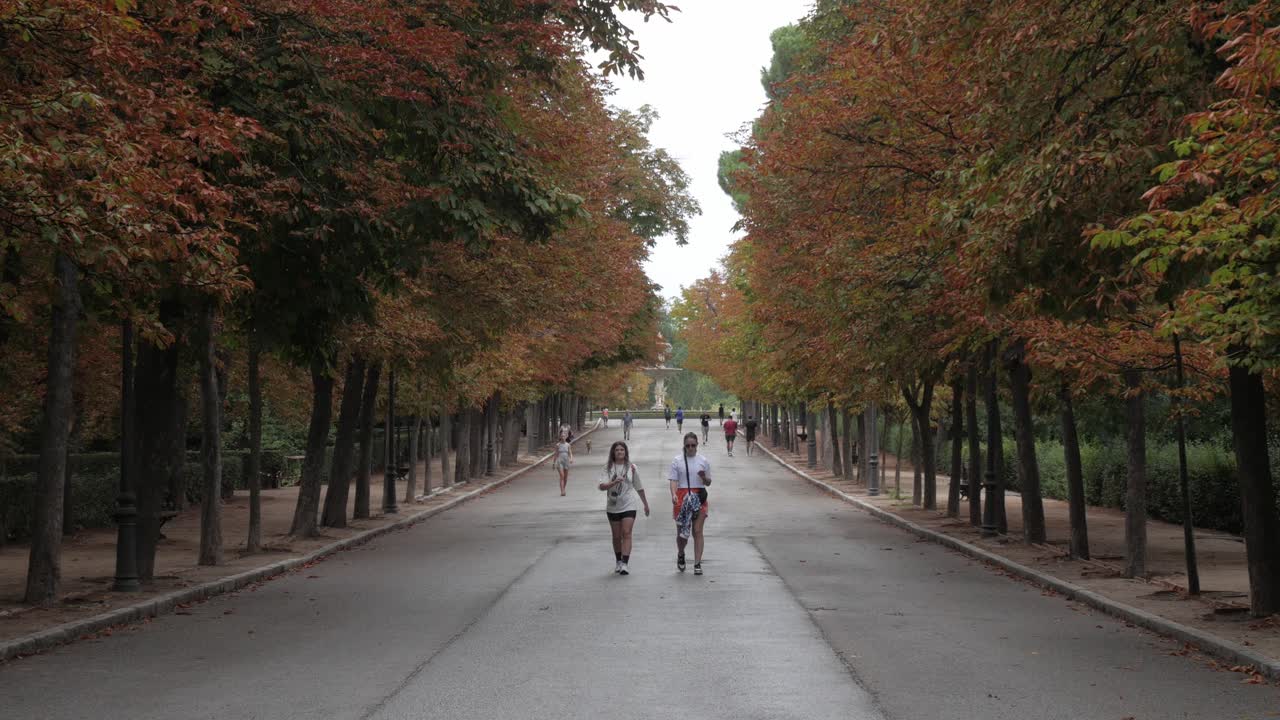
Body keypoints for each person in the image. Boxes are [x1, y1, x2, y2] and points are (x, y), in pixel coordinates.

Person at [599, 441, 650, 575]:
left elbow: (639, 486)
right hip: (613, 505)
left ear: (626, 452)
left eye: (622, 450)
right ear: (613, 453)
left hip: (629, 504)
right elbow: (601, 486)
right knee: (616, 536)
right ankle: (618, 561)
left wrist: (645, 504)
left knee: (626, 533)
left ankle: (625, 564)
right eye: (617, 450)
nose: (620, 452)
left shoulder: (631, 468)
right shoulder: (607, 468)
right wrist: (612, 482)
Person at [669, 432, 711, 575]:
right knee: (682, 533)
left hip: (699, 496)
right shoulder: (677, 460)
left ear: (697, 445)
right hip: (682, 496)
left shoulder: (703, 461)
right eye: (688, 446)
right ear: (684, 446)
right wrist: (674, 494)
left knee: (697, 531)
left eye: (693, 445)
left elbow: (708, 482)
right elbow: (673, 480)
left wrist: (704, 478)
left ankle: (697, 563)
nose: (690, 448)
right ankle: (681, 553)